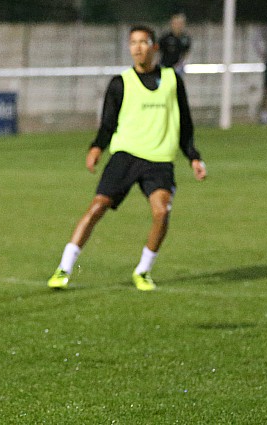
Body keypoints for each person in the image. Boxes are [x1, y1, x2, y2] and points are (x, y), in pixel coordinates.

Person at [47, 25, 207, 292]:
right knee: (97, 207)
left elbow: (185, 123)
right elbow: (108, 123)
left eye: (144, 42)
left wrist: (193, 157)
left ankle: (143, 271)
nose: (138, 47)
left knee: (161, 211)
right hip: (126, 156)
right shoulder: (120, 83)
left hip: (159, 160)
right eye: (133, 42)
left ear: (155, 47)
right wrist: (97, 147)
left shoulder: (172, 81)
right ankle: (64, 268)